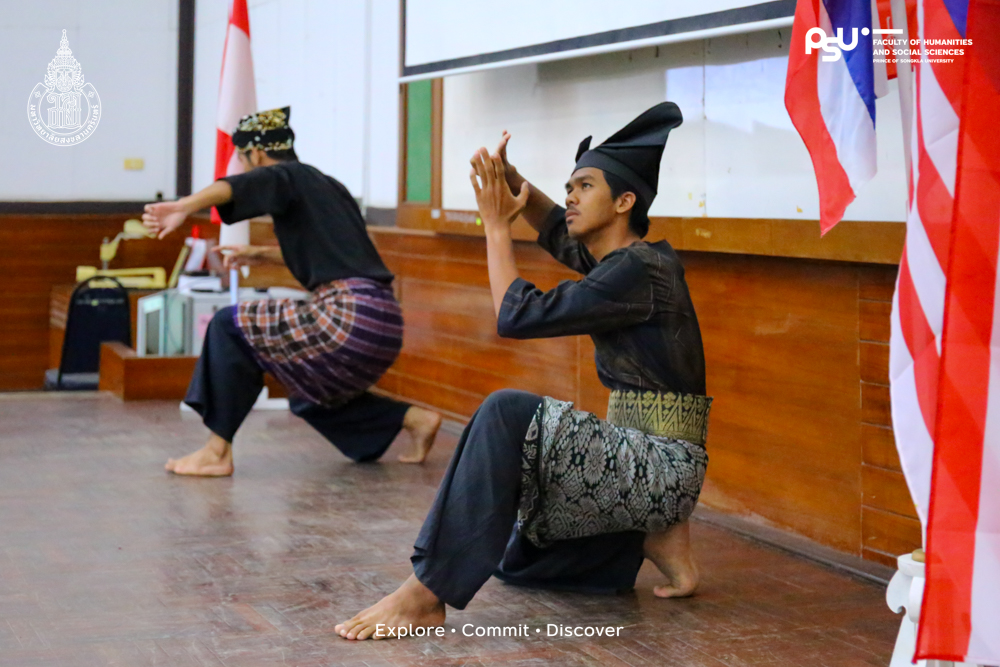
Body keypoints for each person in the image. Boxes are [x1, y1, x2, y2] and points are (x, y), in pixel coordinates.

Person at [335, 102, 711, 640]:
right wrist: (517, 186)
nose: (569, 197)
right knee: (518, 562)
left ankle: (425, 595)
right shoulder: (625, 264)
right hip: (646, 458)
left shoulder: (637, 270)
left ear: (625, 201)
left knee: (507, 412)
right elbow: (560, 229)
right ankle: (646, 536)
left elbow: (515, 315)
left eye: (583, 186)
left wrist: (496, 226)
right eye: (568, 186)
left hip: (662, 466)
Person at [142, 106, 441, 476]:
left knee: (228, 326)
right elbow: (335, 255)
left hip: (348, 319)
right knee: (304, 391)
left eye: (243, 159)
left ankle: (216, 451)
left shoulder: (284, 174)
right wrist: (261, 254)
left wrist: (182, 207)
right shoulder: (330, 187)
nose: (244, 169)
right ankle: (414, 420)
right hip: (384, 321)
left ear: (257, 154)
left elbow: (236, 188)